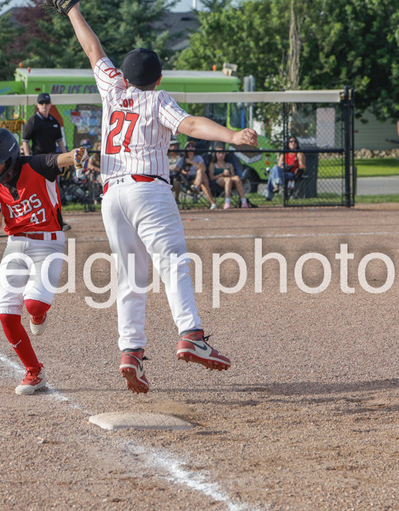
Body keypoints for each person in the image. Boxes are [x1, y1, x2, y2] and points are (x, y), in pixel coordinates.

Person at [66, 4, 258, 394]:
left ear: (125, 74)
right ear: (158, 79)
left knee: (130, 277)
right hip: (147, 189)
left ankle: (130, 351)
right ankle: (190, 333)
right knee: (172, 264)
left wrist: (71, 8)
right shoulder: (157, 100)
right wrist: (232, 135)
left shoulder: (112, 90)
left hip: (112, 194)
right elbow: (189, 125)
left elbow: (92, 49)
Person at [0, 127, 84, 395]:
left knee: (34, 305)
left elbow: (65, 158)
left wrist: (77, 154)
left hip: (48, 242)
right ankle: (34, 372)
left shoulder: (36, 164)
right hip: (15, 245)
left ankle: (39, 313)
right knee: (6, 314)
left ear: (9, 159)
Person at [20, 92, 71, 231]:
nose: (44, 106)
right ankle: (32, 221)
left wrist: (67, 157)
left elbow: (60, 142)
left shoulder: (54, 121)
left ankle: (58, 222)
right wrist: (28, 159)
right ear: (37, 105)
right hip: (38, 160)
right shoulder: (33, 121)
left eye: (46, 103)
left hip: (52, 160)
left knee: (54, 191)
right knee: (35, 192)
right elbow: (25, 141)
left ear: (50, 105)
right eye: (41, 103)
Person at [176, 140, 217, 209]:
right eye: (189, 146)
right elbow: (176, 169)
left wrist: (192, 162)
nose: (191, 148)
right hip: (189, 180)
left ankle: (197, 187)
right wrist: (183, 171)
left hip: (198, 179)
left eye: (192, 146)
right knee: (204, 180)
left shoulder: (198, 158)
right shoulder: (182, 159)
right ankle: (212, 203)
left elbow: (203, 168)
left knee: (201, 174)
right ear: (185, 148)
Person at [265, 136, 306, 201]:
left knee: (272, 174)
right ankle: (276, 185)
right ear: (288, 144)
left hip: (292, 173)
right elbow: (278, 166)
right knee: (275, 169)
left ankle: (270, 194)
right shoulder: (284, 154)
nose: (293, 143)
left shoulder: (299, 154)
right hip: (283, 172)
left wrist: (300, 169)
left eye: (295, 141)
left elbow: (302, 166)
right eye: (291, 141)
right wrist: (283, 167)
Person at [209, 143, 249, 208]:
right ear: (215, 154)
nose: (221, 155)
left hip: (230, 181)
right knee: (228, 179)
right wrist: (222, 174)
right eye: (219, 153)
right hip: (218, 182)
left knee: (237, 178)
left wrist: (228, 174)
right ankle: (227, 202)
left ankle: (243, 201)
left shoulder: (229, 165)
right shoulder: (213, 164)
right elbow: (211, 178)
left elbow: (232, 176)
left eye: (223, 153)